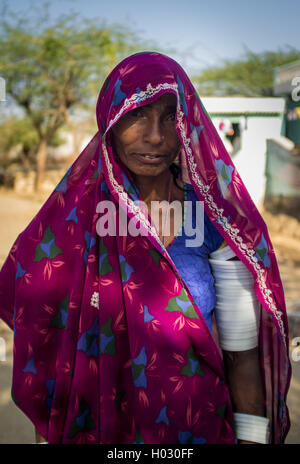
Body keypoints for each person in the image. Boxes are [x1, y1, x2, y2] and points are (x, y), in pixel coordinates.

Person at [0, 52, 291, 444]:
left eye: (171, 116)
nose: (155, 135)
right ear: (111, 120)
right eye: (137, 114)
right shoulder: (71, 227)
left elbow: (241, 355)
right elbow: (54, 357)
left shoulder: (215, 223)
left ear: (188, 124)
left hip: (198, 427)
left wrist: (252, 439)